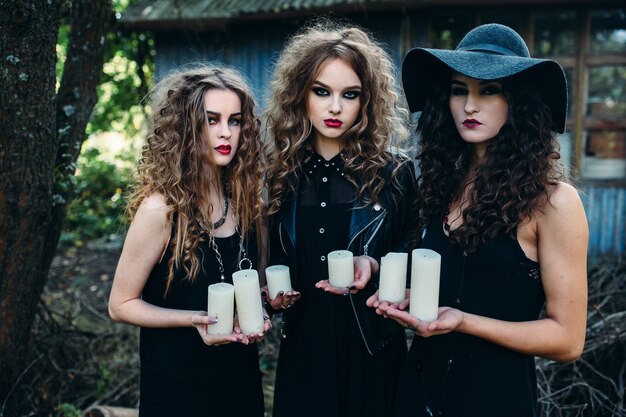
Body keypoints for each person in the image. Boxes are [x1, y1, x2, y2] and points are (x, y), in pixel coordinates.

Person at [367, 23, 588, 417]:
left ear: (518, 101)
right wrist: (391, 285)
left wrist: (464, 322)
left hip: (493, 399)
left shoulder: (553, 202)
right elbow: (449, 284)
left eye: (489, 90)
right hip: (416, 392)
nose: (469, 105)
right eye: (459, 90)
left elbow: (567, 340)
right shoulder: (440, 185)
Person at [264, 21, 420, 417]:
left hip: (372, 350)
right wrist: (269, 294)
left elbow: (419, 254)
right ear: (300, 95)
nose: (335, 107)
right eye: (322, 92)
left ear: (367, 102)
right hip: (303, 350)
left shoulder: (395, 175)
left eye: (349, 95)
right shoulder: (276, 176)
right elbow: (261, 259)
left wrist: (377, 265)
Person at [108, 65, 270, 417]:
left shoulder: (247, 203)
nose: (225, 132)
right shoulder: (159, 210)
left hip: (239, 383)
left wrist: (265, 307)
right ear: (185, 126)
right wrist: (194, 319)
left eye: (235, 120)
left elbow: (250, 285)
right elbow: (120, 304)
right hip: (177, 390)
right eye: (211, 120)